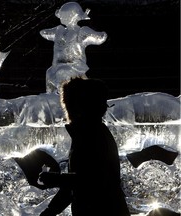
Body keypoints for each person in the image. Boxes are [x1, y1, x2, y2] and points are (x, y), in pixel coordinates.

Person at [38, 77, 130, 216]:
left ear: (76, 106)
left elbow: (92, 181)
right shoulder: (88, 134)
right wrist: (51, 210)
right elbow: (76, 186)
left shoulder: (92, 136)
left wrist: (56, 179)